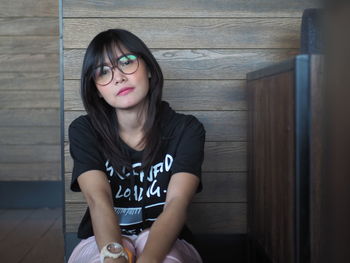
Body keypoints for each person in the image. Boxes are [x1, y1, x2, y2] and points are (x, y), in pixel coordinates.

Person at [67, 28, 205, 263]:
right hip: (101, 239)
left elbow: (176, 204)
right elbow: (97, 199)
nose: (118, 77)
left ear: (149, 67)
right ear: (97, 90)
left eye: (127, 62)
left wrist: (148, 260)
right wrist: (114, 257)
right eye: (103, 72)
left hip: (167, 239)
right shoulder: (84, 130)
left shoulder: (186, 129)